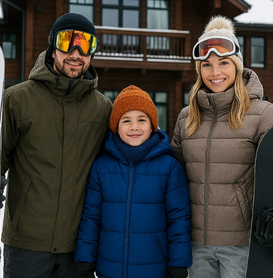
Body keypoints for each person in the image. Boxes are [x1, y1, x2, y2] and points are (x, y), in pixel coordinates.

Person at [0, 13, 113, 278]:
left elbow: (116, 168)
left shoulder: (103, 109)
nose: (76, 53)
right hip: (26, 247)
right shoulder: (16, 100)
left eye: (85, 44)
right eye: (67, 42)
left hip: (78, 250)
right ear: (52, 47)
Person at [171, 15, 273, 278]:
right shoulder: (187, 117)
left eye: (223, 63)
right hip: (195, 245)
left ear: (237, 66)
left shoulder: (263, 114)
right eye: (207, 64)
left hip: (243, 245)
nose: (215, 73)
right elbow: (172, 176)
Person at [74, 85, 192, 278]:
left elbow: (178, 218)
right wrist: (85, 258)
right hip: (110, 267)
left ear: (153, 125)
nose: (134, 127)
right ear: (116, 127)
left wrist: (178, 262)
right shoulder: (101, 167)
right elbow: (91, 217)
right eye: (126, 120)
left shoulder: (169, 167)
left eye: (142, 120)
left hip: (154, 268)